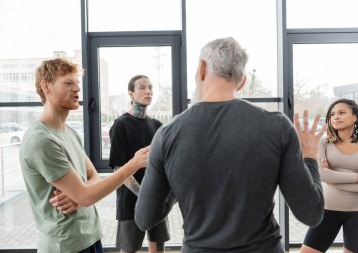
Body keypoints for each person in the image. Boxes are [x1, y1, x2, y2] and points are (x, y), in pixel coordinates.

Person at [134, 37, 326, 253]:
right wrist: (309, 157)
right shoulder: (277, 127)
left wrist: (175, 179)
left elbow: (144, 218)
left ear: (201, 68)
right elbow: (311, 213)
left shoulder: (167, 135)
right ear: (242, 81)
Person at [19, 58, 149, 253]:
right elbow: (87, 197)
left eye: (77, 83)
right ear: (46, 87)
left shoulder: (69, 132)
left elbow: (92, 176)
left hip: (90, 237)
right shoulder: (41, 141)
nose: (77, 89)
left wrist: (79, 195)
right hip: (65, 245)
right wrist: (133, 165)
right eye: (68, 83)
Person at [109, 75, 170, 253]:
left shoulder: (157, 125)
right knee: (129, 249)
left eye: (150, 87)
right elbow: (119, 168)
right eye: (142, 87)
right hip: (129, 201)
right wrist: (143, 194)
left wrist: (158, 195)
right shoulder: (121, 125)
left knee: (158, 246)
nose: (148, 91)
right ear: (131, 93)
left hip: (157, 199)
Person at [300, 98, 358, 253]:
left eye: (342, 112)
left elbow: (328, 176)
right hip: (327, 210)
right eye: (332, 114)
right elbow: (322, 174)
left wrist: (334, 176)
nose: (336, 117)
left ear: (355, 117)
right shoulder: (324, 142)